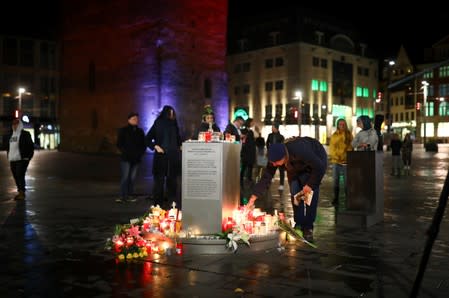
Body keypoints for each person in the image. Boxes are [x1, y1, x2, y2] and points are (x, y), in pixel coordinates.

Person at [247, 137, 328, 242]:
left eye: (276, 162)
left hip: (314, 164)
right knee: (295, 193)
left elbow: (319, 167)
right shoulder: (275, 157)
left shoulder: (300, 150)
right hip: (294, 168)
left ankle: (308, 228)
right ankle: (298, 224)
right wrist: (254, 196)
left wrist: (310, 185)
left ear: (284, 157)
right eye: (272, 163)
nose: (274, 165)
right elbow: (266, 177)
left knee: (309, 196)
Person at [146, 105, 182, 208]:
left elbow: (178, 138)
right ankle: (158, 206)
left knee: (172, 182)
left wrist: (181, 146)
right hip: (161, 157)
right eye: (170, 113)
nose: (172, 115)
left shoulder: (174, 124)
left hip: (173, 157)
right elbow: (148, 138)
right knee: (159, 183)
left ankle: (172, 205)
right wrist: (155, 146)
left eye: (173, 113)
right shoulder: (158, 123)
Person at [116, 112, 146, 203]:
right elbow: (119, 143)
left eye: (137, 119)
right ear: (129, 120)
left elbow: (143, 144)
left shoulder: (140, 131)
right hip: (126, 157)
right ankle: (122, 195)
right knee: (125, 177)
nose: (136, 120)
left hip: (136, 158)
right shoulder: (123, 130)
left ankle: (129, 195)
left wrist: (140, 153)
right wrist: (124, 151)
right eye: (133, 119)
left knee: (132, 178)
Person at [6, 118, 34, 200]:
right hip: (12, 159)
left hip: (22, 159)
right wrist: (8, 155)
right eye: (13, 124)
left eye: (16, 124)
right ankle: (20, 191)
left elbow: (30, 146)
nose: (14, 126)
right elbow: (9, 147)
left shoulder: (25, 134)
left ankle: (22, 193)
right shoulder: (11, 135)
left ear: (20, 125)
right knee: (15, 175)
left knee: (20, 175)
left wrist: (28, 158)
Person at [328, 118, 353, 206]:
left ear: (345, 125)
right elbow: (331, 148)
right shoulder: (334, 135)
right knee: (336, 181)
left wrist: (346, 154)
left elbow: (351, 146)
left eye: (343, 124)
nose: (342, 126)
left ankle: (348, 199)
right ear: (337, 125)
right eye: (340, 124)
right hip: (336, 162)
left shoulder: (349, 134)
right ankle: (335, 198)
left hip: (346, 162)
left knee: (347, 182)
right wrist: (336, 156)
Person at [266, 122, 285, 191]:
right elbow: (267, 143)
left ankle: (281, 184)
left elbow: (283, 146)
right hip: (272, 154)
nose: (272, 129)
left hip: (279, 155)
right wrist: (269, 149)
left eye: (273, 127)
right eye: (272, 127)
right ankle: (269, 180)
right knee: (270, 168)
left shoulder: (281, 137)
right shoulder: (270, 135)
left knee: (281, 170)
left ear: (276, 128)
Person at [240, 118, 256, 187]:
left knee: (248, 166)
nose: (253, 123)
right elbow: (245, 142)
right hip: (247, 152)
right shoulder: (246, 131)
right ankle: (244, 180)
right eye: (252, 122)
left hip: (249, 151)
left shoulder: (249, 131)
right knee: (245, 166)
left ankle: (248, 179)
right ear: (249, 123)